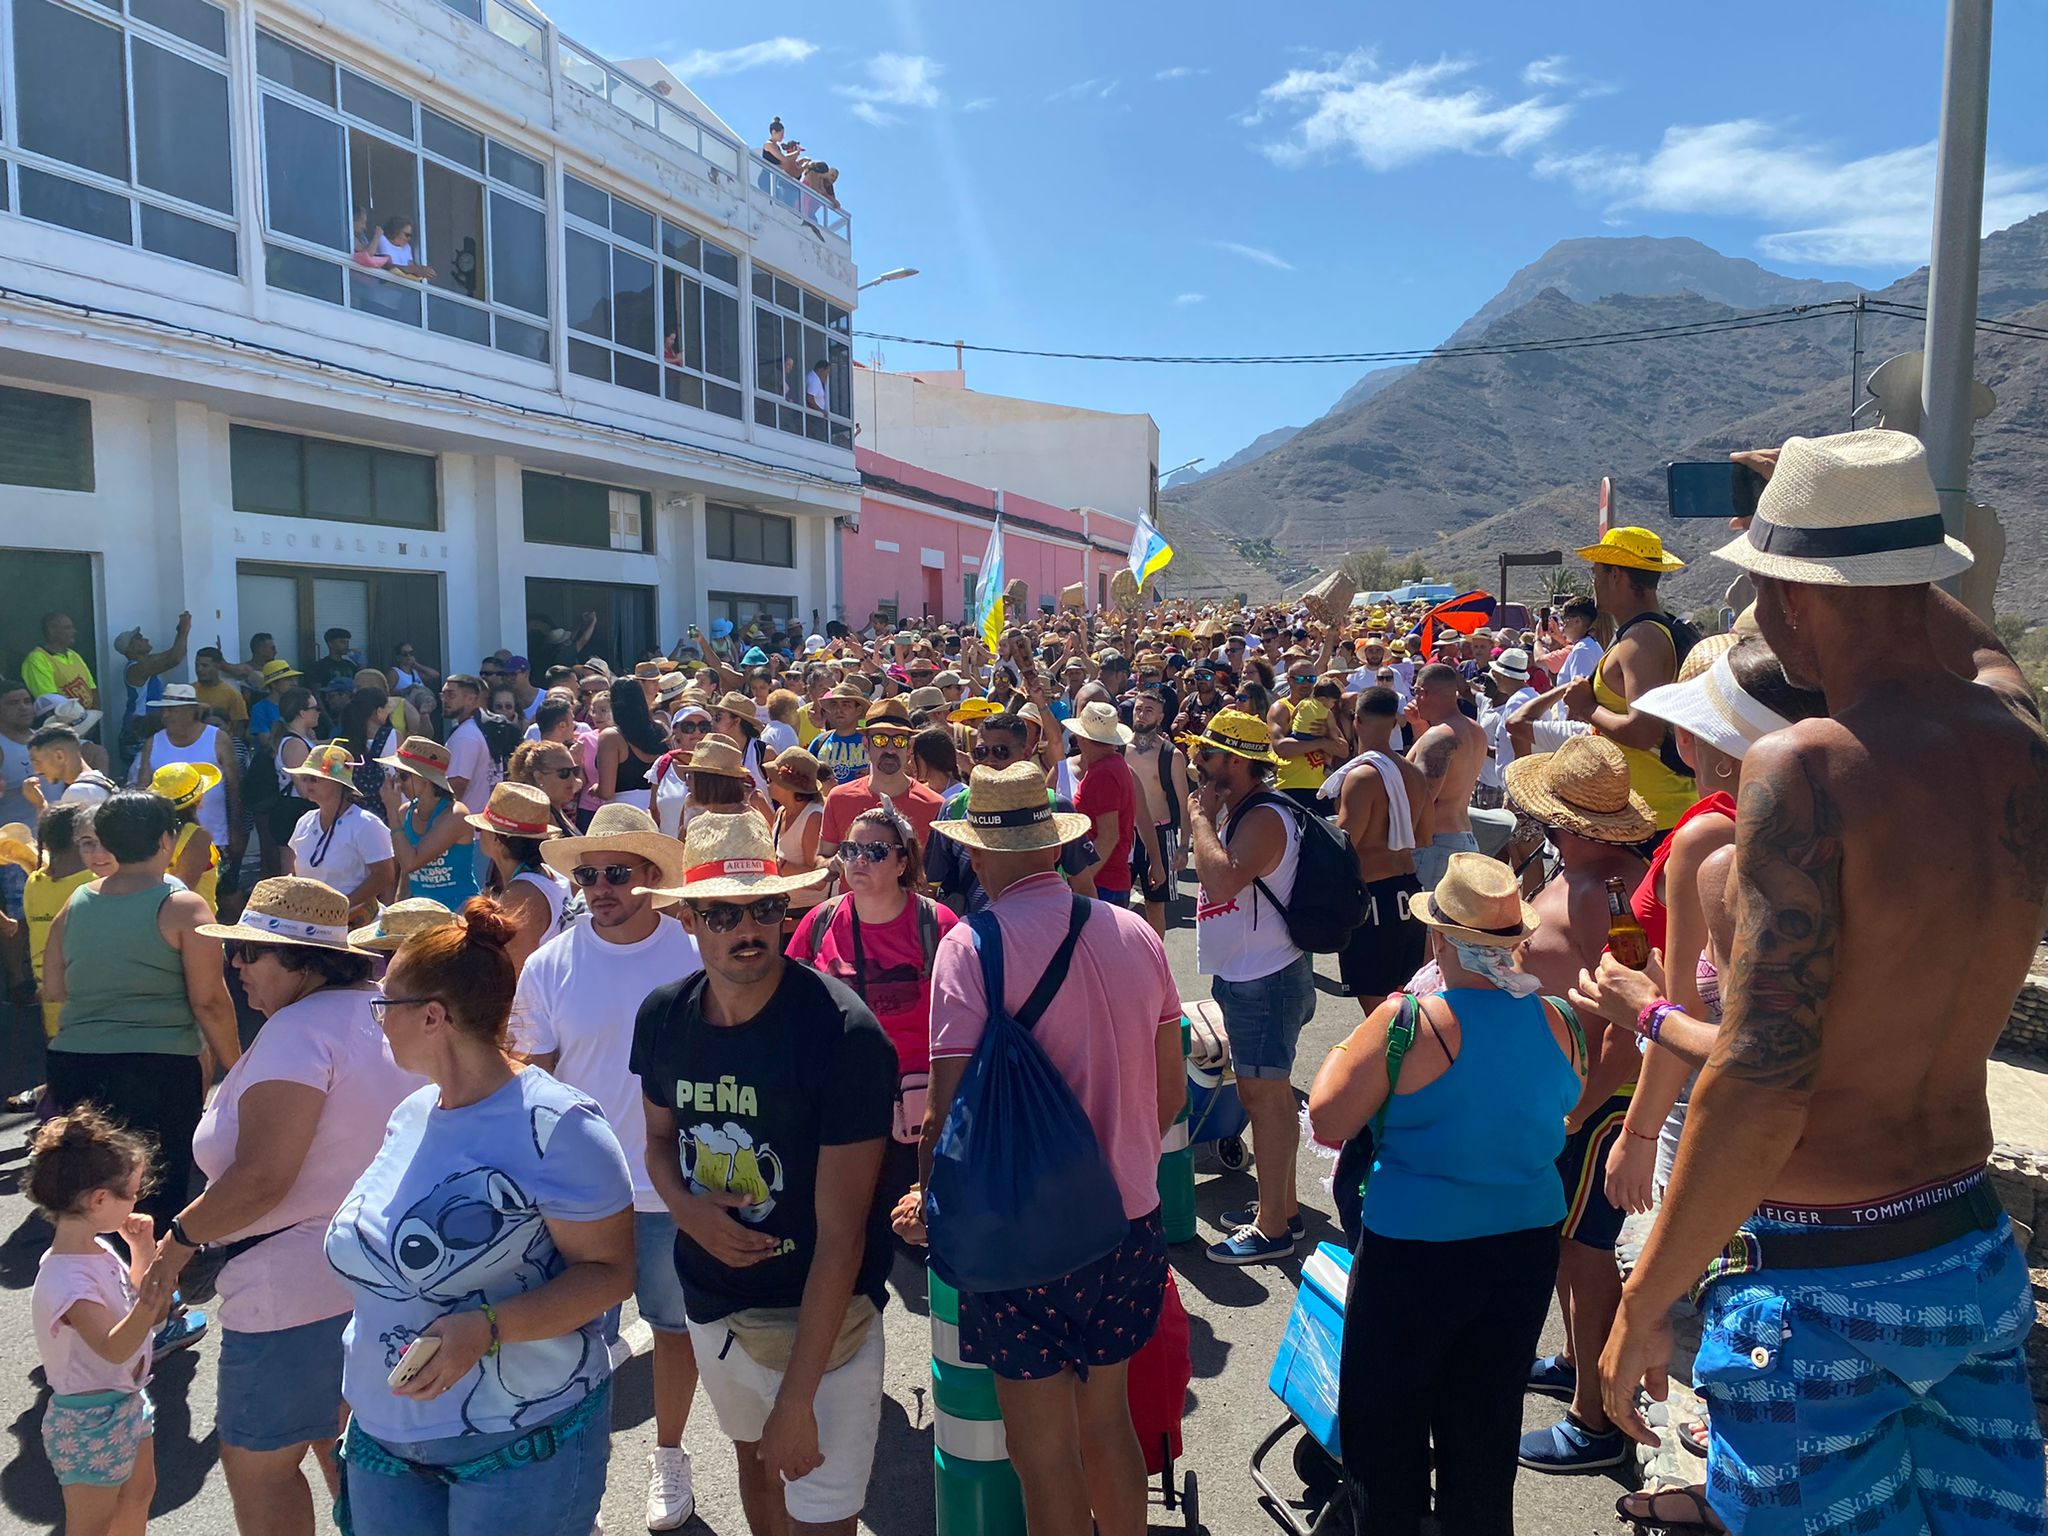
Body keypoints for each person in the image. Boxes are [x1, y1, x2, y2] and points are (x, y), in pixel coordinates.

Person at [1594, 430, 2048, 1536]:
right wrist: (1842, 522)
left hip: (1822, 1282)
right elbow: (1978, 646)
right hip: (1965, 1249)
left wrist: (1644, 1299)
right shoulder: (2016, 739)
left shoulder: (1804, 770)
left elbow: (1759, 1082)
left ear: (1789, 594)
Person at [912, 761, 1184, 1536]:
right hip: (1128, 1221)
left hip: (1021, 1234)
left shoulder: (971, 949)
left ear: (979, 853)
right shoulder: (1135, 932)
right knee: (1107, 1424)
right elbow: (1170, 1099)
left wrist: (932, 1208)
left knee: (1042, 1452)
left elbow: (945, 1113)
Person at [325, 897, 634, 1533]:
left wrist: (485, 1327)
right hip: (384, 1442)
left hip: (519, 1444)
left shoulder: (560, 1126)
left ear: (433, 1016)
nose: (376, 1019)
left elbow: (609, 1273)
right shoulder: (411, 1113)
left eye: (384, 1004)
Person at [631, 814, 894, 1536]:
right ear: (689, 919)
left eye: (765, 909)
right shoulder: (662, 1018)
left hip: (822, 1327)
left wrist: (798, 1398)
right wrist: (686, 1211)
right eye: (723, 913)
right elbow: (657, 1140)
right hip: (713, 1308)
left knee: (821, 1517)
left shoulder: (843, 1036)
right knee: (755, 1472)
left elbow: (842, 1238)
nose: (748, 929)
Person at [1308, 854, 1585, 1536]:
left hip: (1415, 1250)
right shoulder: (1558, 1019)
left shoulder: (1407, 1021)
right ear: (1513, 940)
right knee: (1486, 1427)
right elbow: (1564, 1108)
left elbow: (1328, 1119)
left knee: (1386, 1430)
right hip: (1524, 1247)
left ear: (1437, 938)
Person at [163, 879, 420, 1536]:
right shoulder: (382, 1011)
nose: (236, 965)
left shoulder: (295, 1034)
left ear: (305, 961)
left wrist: (179, 1241)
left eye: (251, 952)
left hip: (289, 1298)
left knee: (259, 1465)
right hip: (381, 1278)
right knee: (354, 1453)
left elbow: (261, 1179)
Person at [510, 811, 705, 1532]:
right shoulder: (548, 964)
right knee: (566, 1344)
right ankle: (574, 1486)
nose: (599, 888)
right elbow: (533, 1085)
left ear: (651, 877)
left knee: (671, 1327)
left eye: (615, 873)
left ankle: (671, 1454)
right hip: (576, 1197)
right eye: (586, 875)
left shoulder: (691, 955)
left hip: (666, 1190)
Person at [1486, 735, 1654, 1475]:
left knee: (1585, 1254)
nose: (1542, 827)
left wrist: (1581, 1114)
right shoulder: (1587, 874)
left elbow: (1630, 1022)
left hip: (1592, 1100)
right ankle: (1579, 1363)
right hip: (1568, 1094)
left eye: (1552, 820)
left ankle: (1596, 1419)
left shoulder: (1605, 892)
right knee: (1566, 1248)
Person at [42, 793, 241, 1261]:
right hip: (157, 1066)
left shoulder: (78, 900)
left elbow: (53, 986)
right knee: (155, 1188)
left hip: (74, 1061)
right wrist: (237, 1066)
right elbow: (209, 1001)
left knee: (89, 1187)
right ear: (166, 840)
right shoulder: (183, 906)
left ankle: (98, 1289)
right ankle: (154, 1298)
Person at [1185, 709, 1314, 1264]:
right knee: (1266, 1095)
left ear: (1236, 762)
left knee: (1266, 1098)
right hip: (1250, 975)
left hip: (1264, 978)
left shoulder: (1263, 817)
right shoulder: (1247, 810)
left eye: (1207, 756)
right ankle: (1279, 1209)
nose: (1196, 763)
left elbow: (1219, 878)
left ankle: (1273, 1231)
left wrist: (1198, 818)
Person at [789, 803, 958, 1212]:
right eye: (850, 850)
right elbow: (790, 1010)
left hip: (921, 1111)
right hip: (841, 1102)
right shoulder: (819, 923)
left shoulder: (939, 925)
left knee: (919, 1226)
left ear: (903, 862)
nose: (859, 860)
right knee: (849, 1223)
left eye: (877, 852)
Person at [27, 1107, 176, 1536]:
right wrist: (152, 1299)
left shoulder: (96, 1250)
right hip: (88, 1419)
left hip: (124, 1400)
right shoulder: (66, 1281)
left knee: (138, 1494)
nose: (137, 1200)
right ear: (98, 1200)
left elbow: (136, 1311)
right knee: (91, 1525)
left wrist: (142, 1251)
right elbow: (113, 1344)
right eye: (131, 1192)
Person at [1560, 528, 1695, 831]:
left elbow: (1642, 732)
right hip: (1650, 810)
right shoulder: (1646, 632)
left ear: (1616, 575)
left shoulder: (1642, 638)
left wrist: (1586, 707)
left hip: (1652, 814)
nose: (1593, 582)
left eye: (1597, 572)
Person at [1326, 686, 1434, 1015]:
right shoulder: (1413, 774)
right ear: (1396, 722)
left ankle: (1393, 1066)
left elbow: (1345, 844)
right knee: (1407, 1001)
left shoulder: (1361, 776)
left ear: (1356, 721)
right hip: (1409, 892)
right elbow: (1424, 835)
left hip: (1373, 897)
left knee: (1378, 1012)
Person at [818, 698, 944, 858]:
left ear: (909, 747)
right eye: (880, 740)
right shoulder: (838, 798)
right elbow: (821, 859)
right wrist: (833, 865)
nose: (890, 749)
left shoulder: (934, 806)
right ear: (865, 744)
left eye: (899, 740)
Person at [282, 744, 395, 923]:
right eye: (305, 777)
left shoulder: (365, 823)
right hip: (312, 920)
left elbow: (385, 875)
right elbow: (294, 868)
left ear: (338, 783)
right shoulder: (305, 821)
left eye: (315, 778)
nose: (307, 782)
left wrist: (342, 905)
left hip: (356, 921)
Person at [1405, 663, 1487, 890]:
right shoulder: (1475, 730)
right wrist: (1420, 725)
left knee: (1427, 922)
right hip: (1464, 838)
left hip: (1434, 844)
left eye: (1416, 692)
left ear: (1423, 692)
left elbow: (1423, 798)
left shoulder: (1439, 735)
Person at [134, 684, 238, 863]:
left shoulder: (217, 739)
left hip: (216, 836)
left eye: (171, 710)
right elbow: (143, 789)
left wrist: (236, 829)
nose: (165, 715)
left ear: (191, 711)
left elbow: (234, 787)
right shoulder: (153, 742)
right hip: (166, 841)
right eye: (164, 710)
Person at [472, 782, 571, 968]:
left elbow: (518, 970)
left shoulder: (521, 895)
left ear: (497, 840)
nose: (479, 834)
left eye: (481, 829)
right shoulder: (550, 873)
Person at [377, 736, 479, 910]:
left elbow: (411, 862)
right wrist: (397, 908)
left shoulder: (455, 814)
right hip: (422, 911)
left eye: (403, 776)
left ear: (425, 780)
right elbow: (406, 871)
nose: (398, 784)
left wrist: (391, 814)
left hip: (457, 911)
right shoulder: (405, 812)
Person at [21, 804, 95, 1040]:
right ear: (79, 839)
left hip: (50, 1002)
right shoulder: (94, 885)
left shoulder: (34, 882)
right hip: (91, 1006)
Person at [1064, 700, 1144, 909]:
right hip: (1109, 881)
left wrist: (1082, 881)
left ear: (1082, 737)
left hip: (1102, 883)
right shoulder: (1114, 765)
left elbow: (1109, 836)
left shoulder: (1103, 773)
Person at [148, 763, 222, 914]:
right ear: (198, 800)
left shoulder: (147, 832)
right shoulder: (196, 838)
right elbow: (182, 891)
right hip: (192, 923)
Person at [112, 617, 190, 753]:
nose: (146, 639)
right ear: (130, 648)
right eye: (139, 638)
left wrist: (180, 632)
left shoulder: (146, 662)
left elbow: (176, 653)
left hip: (146, 726)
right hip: (139, 728)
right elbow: (174, 659)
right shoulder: (136, 668)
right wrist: (184, 630)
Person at [597, 676, 667, 813]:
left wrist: (595, 789)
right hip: (658, 809)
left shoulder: (610, 737)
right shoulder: (661, 730)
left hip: (623, 813)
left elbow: (606, 792)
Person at [766, 748, 828, 881]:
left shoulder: (814, 819)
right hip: (786, 900)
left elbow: (819, 880)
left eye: (772, 779)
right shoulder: (781, 812)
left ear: (789, 786)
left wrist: (780, 865)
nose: (767, 782)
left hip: (810, 902)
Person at [26, 723, 117, 812]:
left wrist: (40, 805)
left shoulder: (78, 792)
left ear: (59, 756)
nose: (36, 771)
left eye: (37, 762)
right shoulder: (102, 781)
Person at [438, 674, 497, 805]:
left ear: (471, 699)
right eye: (443, 695)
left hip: (466, 821)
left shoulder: (465, 736)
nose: (445, 700)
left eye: (451, 695)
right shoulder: (474, 730)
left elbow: (457, 784)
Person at [23, 611, 98, 712]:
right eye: (68, 628)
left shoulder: (74, 655)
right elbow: (50, 701)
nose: (74, 631)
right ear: (51, 630)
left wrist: (94, 715)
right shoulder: (37, 658)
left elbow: (92, 688)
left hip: (87, 720)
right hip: (62, 723)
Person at [806, 683, 869, 785]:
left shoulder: (871, 742)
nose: (839, 710)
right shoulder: (819, 742)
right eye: (834, 705)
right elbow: (806, 777)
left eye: (845, 705)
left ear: (859, 710)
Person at [190, 647, 251, 740]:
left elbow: (238, 729)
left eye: (204, 665)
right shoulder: (189, 691)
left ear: (217, 666)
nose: (199, 669)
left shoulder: (233, 695)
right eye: (196, 665)